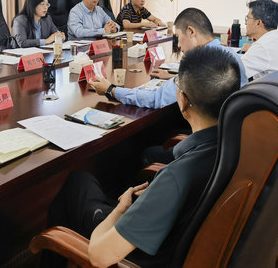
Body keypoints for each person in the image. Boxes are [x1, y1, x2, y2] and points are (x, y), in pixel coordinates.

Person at [44, 46, 242, 267]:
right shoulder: (238, 144)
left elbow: (99, 255)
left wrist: (120, 210)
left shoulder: (176, 177)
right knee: (82, 182)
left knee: (76, 184)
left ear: (183, 100)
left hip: (137, 255)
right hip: (179, 238)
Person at [89, 7, 247, 109]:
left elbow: (155, 99)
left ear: (191, 32)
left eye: (178, 37)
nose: (180, 46)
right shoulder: (232, 55)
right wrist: (175, 77)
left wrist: (111, 90)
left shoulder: (197, 65)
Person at [240, 0, 278, 80]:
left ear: (258, 22)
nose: (245, 23)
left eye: (247, 18)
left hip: (272, 87)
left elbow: (233, 73)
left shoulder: (262, 46)